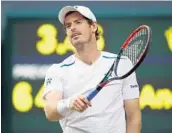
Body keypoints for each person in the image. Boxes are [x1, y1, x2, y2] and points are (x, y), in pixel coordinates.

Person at [43, 5, 141, 133]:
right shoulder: (57, 70)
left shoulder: (122, 63)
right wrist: (69, 104)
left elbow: (133, 117)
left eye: (78, 22)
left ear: (93, 26)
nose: (72, 28)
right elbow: (50, 111)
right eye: (68, 25)